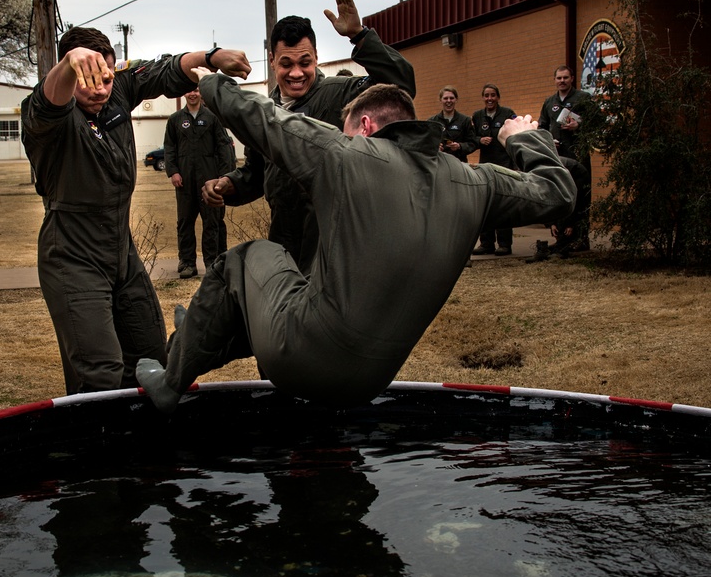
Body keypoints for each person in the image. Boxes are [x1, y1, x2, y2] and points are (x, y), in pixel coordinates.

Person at [136, 74, 575, 413]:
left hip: (303, 358)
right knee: (293, 286)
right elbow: (558, 193)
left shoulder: (346, 155)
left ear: (364, 126)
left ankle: (170, 383)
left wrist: (209, 78)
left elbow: (265, 119)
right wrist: (521, 136)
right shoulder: (475, 182)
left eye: (347, 130)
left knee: (252, 257)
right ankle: (200, 329)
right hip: (373, 382)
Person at [20, 27, 251, 395]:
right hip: (72, 254)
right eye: (88, 79)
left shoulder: (117, 94)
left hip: (120, 252)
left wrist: (210, 57)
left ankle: (146, 449)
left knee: (150, 357)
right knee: (100, 373)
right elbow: (49, 99)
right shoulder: (50, 119)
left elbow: (165, 72)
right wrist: (68, 65)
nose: (99, 88)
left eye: (106, 78)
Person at [201, 0, 416, 275]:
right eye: (286, 63)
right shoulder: (265, 112)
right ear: (272, 60)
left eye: (305, 62)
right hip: (285, 245)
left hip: (333, 245)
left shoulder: (341, 94)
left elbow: (400, 86)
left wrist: (360, 35)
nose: (296, 73)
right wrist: (230, 184)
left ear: (316, 56)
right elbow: (256, 172)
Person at [164, 89, 235, 278]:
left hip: (209, 182)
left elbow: (224, 147)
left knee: (213, 222)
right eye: (188, 91)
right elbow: (169, 147)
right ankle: (187, 263)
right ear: (184, 94)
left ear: (201, 92)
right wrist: (173, 172)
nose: (192, 94)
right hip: (185, 182)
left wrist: (224, 176)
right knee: (185, 222)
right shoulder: (175, 120)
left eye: (195, 90)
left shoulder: (213, 118)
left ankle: (214, 263)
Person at [538, 65, 597, 250]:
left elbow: (599, 120)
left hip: (577, 155)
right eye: (558, 78)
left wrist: (578, 126)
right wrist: (548, 140)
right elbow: (542, 126)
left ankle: (581, 239)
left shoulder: (583, 98)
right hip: (558, 156)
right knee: (559, 192)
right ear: (554, 80)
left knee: (580, 194)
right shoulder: (549, 102)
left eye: (565, 77)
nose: (562, 81)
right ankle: (562, 237)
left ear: (572, 78)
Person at [470, 83, 517, 256]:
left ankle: (505, 244)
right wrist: (479, 141)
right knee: (486, 205)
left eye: (493, 95)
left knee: (504, 205)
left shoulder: (507, 113)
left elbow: (515, 134)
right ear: (483, 97)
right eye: (486, 95)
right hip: (485, 166)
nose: (489, 99)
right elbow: (470, 138)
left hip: (503, 165)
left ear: (498, 97)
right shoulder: (477, 116)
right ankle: (486, 243)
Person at [428, 86, 477, 163]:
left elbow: (473, 143)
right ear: (440, 100)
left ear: (456, 99)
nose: (449, 101)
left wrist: (460, 146)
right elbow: (426, 143)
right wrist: (434, 147)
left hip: (459, 163)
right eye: (445, 98)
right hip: (439, 163)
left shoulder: (465, 120)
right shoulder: (432, 122)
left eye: (451, 98)